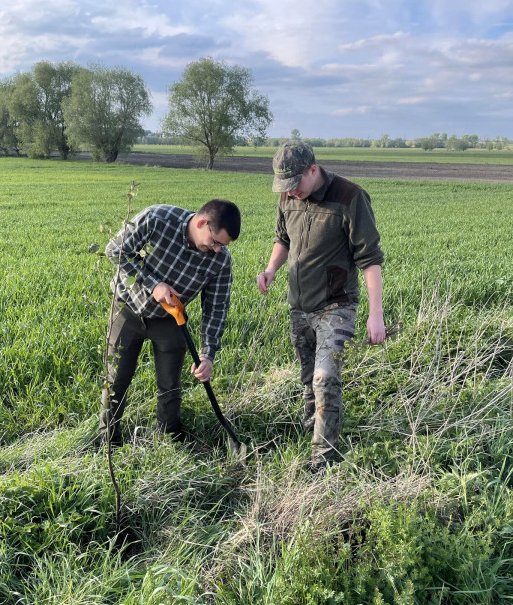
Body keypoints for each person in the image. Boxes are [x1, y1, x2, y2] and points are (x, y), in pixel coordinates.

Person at [257, 140, 386, 471]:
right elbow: (282, 238)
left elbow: (370, 260)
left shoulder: (350, 197)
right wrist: (271, 269)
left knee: (325, 377)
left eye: (295, 183)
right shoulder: (289, 196)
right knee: (307, 377)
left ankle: (322, 462)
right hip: (299, 305)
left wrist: (375, 314)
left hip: (337, 305)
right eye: (284, 186)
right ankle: (309, 429)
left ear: (313, 170)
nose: (290, 191)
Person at [100, 198, 241, 447]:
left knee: (170, 387)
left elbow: (216, 309)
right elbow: (115, 250)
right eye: (216, 242)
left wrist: (208, 355)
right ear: (202, 223)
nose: (218, 249)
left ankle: (170, 442)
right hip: (127, 307)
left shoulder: (220, 260)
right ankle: (108, 441)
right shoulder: (157, 219)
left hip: (171, 319)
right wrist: (153, 284)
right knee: (116, 380)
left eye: (223, 245)